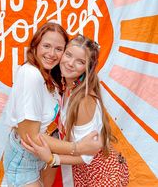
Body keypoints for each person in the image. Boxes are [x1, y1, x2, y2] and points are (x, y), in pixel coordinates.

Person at [23, 34, 129, 186]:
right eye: (68, 55)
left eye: (80, 62)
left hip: (100, 177)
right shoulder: (66, 87)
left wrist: (52, 159)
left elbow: (87, 156)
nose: (70, 63)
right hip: (80, 173)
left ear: (88, 68)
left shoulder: (83, 101)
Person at [3, 24, 103, 187]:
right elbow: (30, 138)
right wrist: (77, 147)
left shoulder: (55, 81)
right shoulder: (31, 74)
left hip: (42, 158)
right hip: (26, 159)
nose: (51, 54)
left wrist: (51, 158)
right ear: (35, 45)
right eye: (46, 46)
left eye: (58, 49)